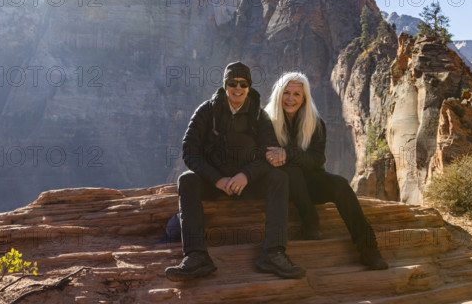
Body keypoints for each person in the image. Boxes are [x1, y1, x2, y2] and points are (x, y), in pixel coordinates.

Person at [165, 62, 306, 281]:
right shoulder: (207, 111)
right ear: (225, 85)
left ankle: (273, 253)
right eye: (233, 83)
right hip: (216, 182)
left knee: (279, 177)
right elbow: (189, 151)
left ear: (249, 86)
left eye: (243, 83)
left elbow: (268, 154)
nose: (238, 88)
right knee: (187, 180)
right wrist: (217, 179)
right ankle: (196, 256)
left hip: (247, 183)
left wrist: (246, 176)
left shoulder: (259, 116)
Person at [264, 71, 389, 270]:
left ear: (304, 97)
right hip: (282, 186)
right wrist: (291, 159)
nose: (290, 99)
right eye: (286, 93)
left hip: (311, 180)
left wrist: (288, 154)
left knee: (340, 184)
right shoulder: (266, 121)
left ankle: (368, 248)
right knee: (290, 172)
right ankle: (310, 221)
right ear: (278, 94)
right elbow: (270, 158)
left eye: (297, 94)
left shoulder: (315, 123)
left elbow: (317, 160)